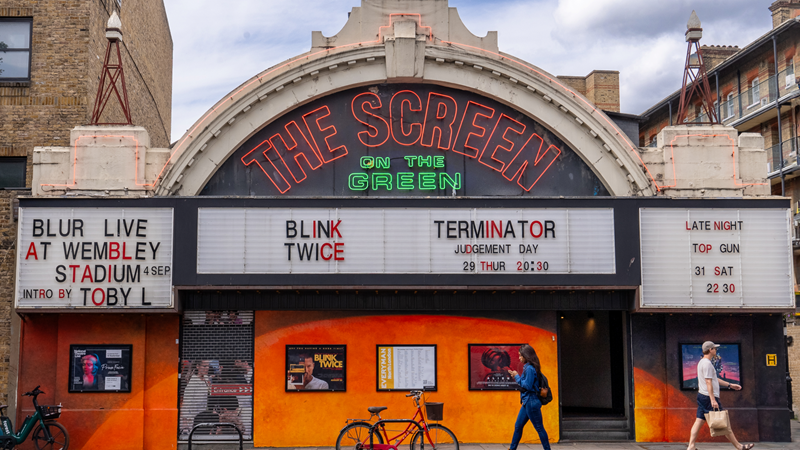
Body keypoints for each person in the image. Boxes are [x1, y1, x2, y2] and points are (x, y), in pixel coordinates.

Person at [686, 341, 753, 450]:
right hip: (708, 397)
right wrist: (713, 399)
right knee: (724, 422)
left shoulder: (702, 362)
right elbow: (708, 382)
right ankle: (739, 446)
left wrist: (730, 385)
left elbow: (714, 379)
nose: (716, 350)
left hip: (702, 396)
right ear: (710, 350)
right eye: (714, 348)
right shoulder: (707, 364)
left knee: (698, 421)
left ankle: (691, 446)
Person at [507, 344, 550, 450]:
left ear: (526, 356)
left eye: (520, 356)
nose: (519, 358)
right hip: (527, 402)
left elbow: (527, 386)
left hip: (531, 401)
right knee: (518, 426)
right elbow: (526, 383)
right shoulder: (528, 367)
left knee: (539, 428)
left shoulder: (530, 368)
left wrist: (516, 376)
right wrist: (516, 375)